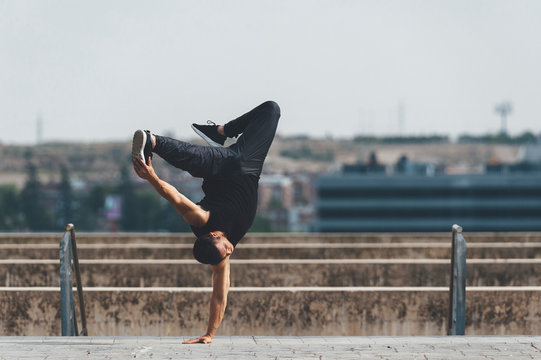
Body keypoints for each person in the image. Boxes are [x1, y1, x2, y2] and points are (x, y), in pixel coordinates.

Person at [131, 101, 280, 344]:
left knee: (197, 158)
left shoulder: (202, 220)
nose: (231, 249)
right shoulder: (220, 256)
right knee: (271, 109)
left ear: (213, 236)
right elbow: (220, 295)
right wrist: (210, 334)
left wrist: (152, 177)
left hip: (223, 165)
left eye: (226, 247)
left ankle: (154, 141)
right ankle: (219, 133)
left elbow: (175, 196)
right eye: (228, 252)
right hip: (249, 165)